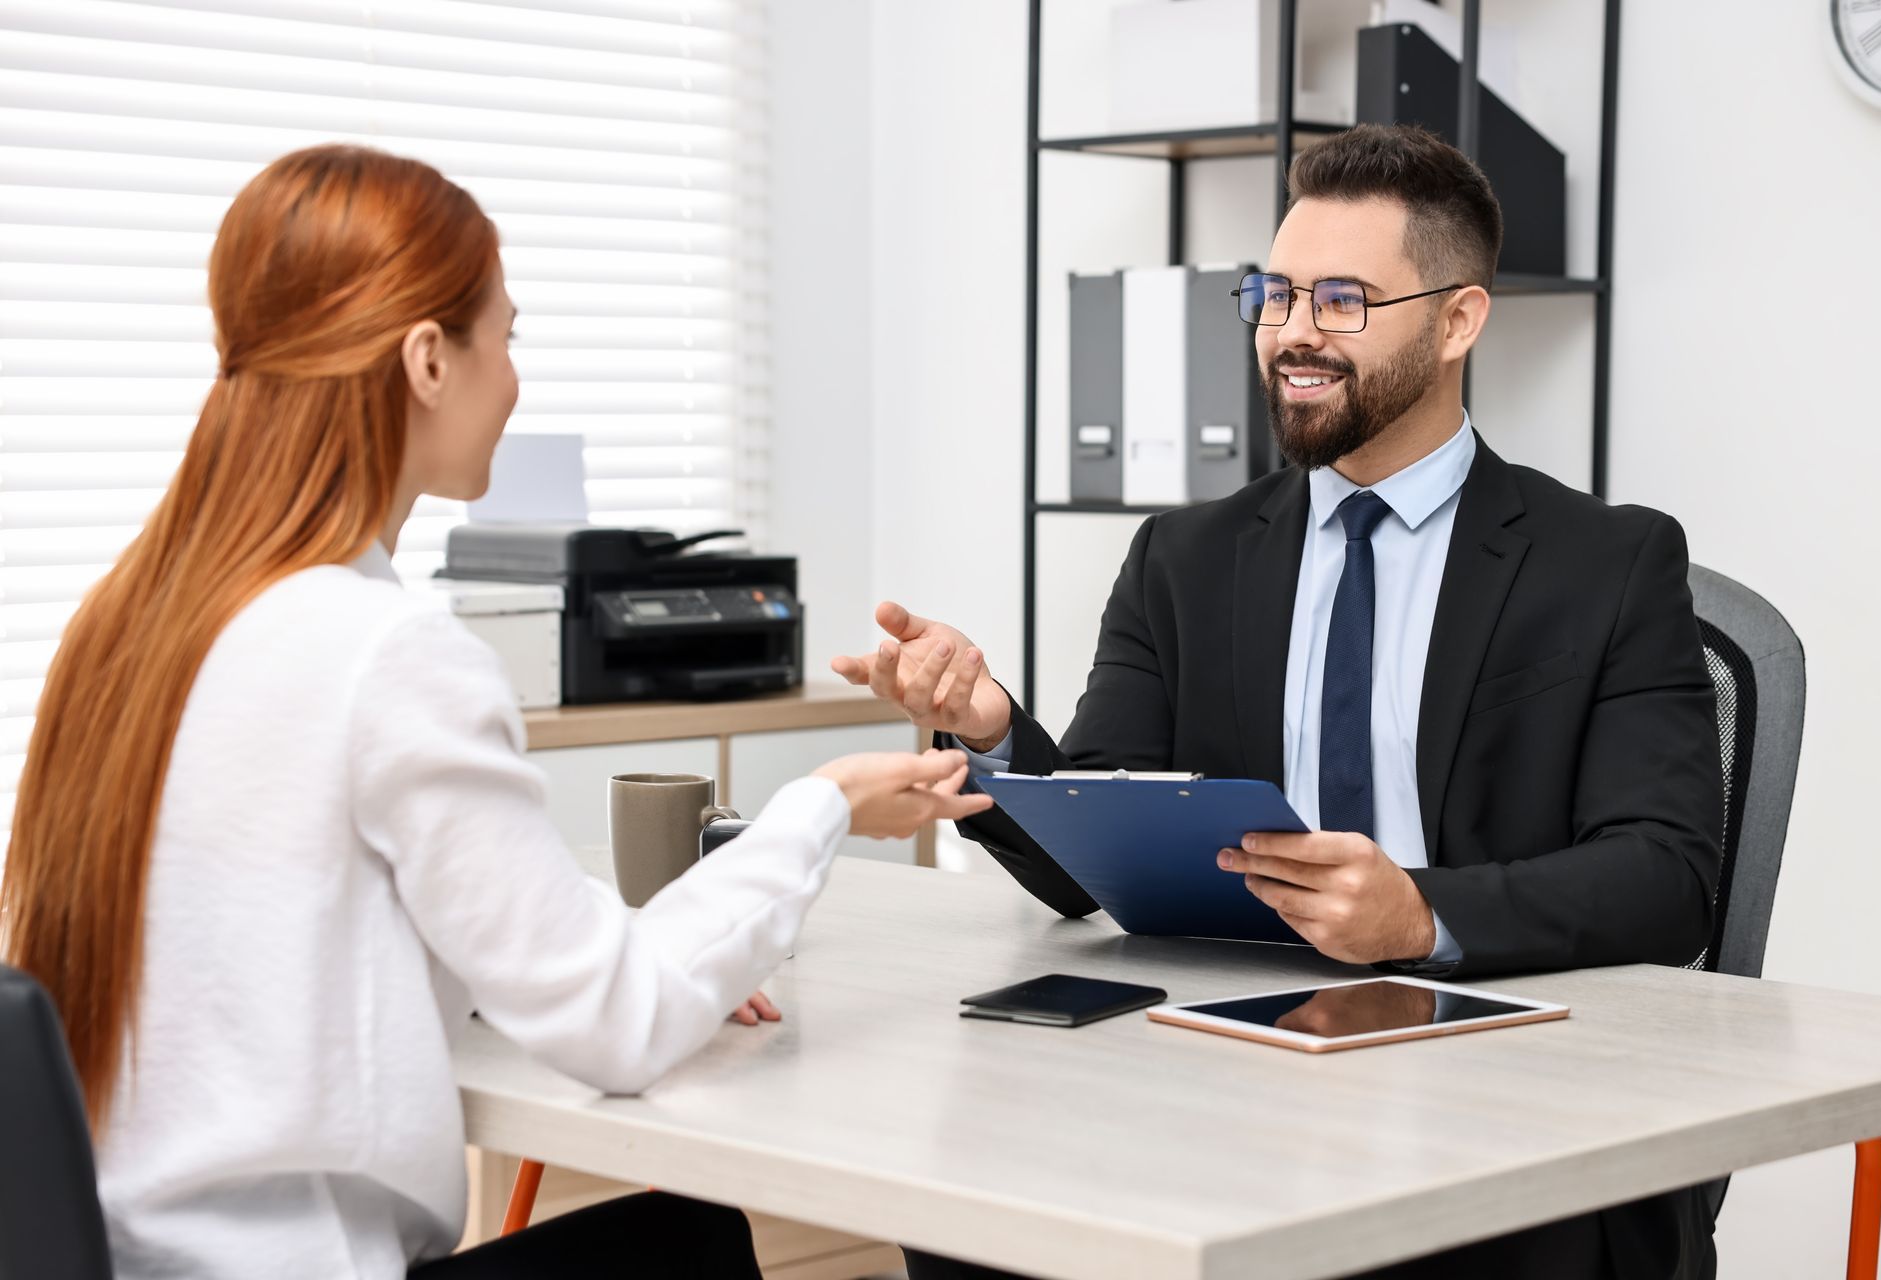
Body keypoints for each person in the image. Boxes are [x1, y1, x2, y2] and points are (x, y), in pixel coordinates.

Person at [0, 144, 992, 1280]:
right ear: (428, 358)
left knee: (681, 1237)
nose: (514, 377)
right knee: (697, 1241)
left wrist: (644, 945)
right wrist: (819, 807)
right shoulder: (385, 652)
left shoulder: (127, 624)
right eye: (504, 336)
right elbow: (619, 1026)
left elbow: (384, 901)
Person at [834, 124, 1722, 1279]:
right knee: (971, 1220)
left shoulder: (1606, 562)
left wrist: (1420, 915)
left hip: (1492, 1090)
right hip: (1225, 1074)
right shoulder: (1185, 558)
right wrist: (995, 728)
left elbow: (1668, 876)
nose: (1295, 332)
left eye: (1344, 298)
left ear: (1458, 321)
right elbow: (1088, 856)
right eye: (1277, 292)